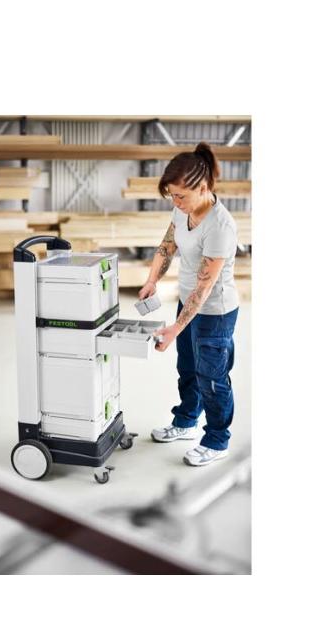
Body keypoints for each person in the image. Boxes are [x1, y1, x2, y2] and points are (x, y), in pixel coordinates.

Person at [139, 141, 240, 467]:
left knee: (212, 377)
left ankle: (217, 441)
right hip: (188, 305)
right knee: (188, 368)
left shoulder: (220, 226)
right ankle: (186, 422)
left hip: (215, 312)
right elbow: (167, 246)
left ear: (203, 188)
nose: (175, 202)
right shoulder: (181, 209)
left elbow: (204, 286)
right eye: (172, 195)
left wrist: (175, 328)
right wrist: (152, 280)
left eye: (180, 196)